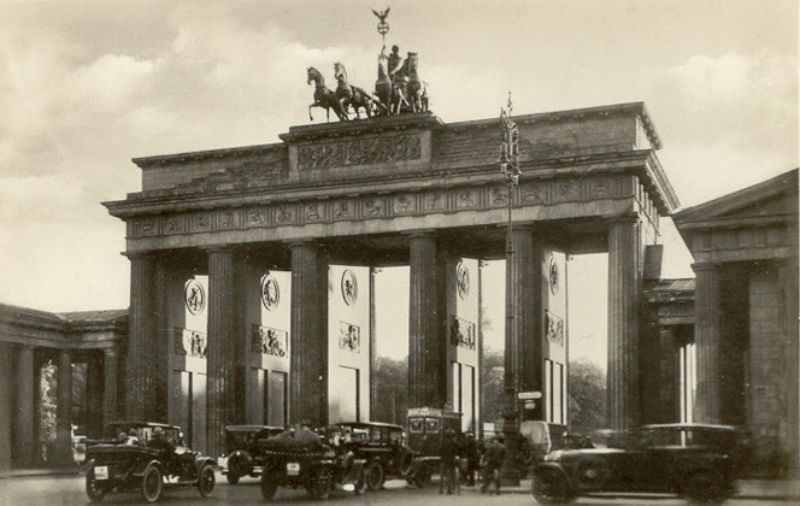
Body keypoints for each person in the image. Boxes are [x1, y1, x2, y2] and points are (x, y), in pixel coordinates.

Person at [439, 428, 460, 495]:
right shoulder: (453, 443)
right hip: (451, 461)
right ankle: (449, 490)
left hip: (443, 460)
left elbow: (440, 451)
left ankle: (441, 489)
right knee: (450, 475)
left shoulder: (443, 442)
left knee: (442, 475)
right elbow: (457, 450)